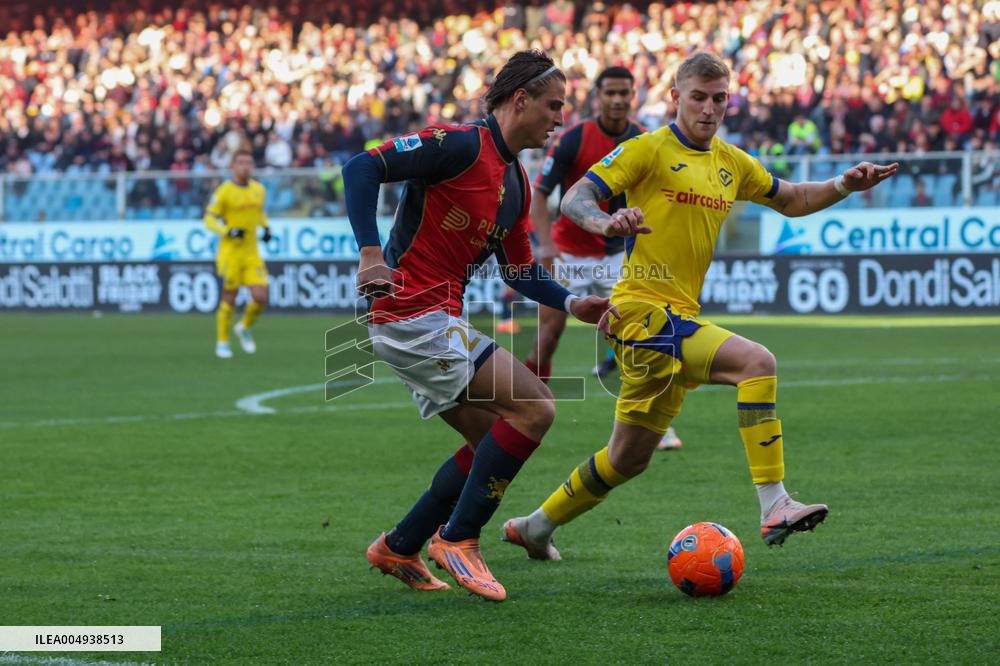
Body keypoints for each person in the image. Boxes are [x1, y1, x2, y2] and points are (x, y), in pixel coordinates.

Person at [502, 52, 898, 562]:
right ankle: (774, 503)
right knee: (757, 363)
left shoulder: (731, 163)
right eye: (698, 98)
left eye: (719, 99)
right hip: (642, 314)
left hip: (676, 317)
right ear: (675, 98)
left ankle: (536, 526)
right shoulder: (646, 149)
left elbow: (793, 198)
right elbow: (577, 196)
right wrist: (604, 223)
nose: (709, 109)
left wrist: (845, 184)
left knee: (626, 459)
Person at [341, 50, 614, 602]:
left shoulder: (514, 182)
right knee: (536, 407)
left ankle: (401, 543)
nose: (559, 118)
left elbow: (518, 270)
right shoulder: (460, 144)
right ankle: (460, 538)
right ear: (520, 100)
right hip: (410, 312)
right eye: (552, 105)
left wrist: (570, 300)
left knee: (492, 440)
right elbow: (361, 167)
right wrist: (371, 253)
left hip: (431, 318)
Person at [524, 65, 682, 451]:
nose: (616, 100)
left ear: (633, 96)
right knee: (548, 335)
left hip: (617, 257)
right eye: (609, 93)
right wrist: (545, 247)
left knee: (636, 336)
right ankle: (524, 412)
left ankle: (653, 425)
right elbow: (539, 194)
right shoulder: (574, 139)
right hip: (568, 252)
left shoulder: (646, 141)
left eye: (623, 93)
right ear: (598, 96)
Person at [203, 149, 272, 359]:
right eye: (241, 162)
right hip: (231, 253)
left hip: (252, 253)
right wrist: (228, 231)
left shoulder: (259, 189)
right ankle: (222, 342)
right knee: (229, 298)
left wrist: (266, 228)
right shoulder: (224, 191)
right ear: (233, 166)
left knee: (261, 297)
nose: (245, 167)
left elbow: (259, 213)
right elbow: (209, 219)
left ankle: (243, 327)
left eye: (249, 162)